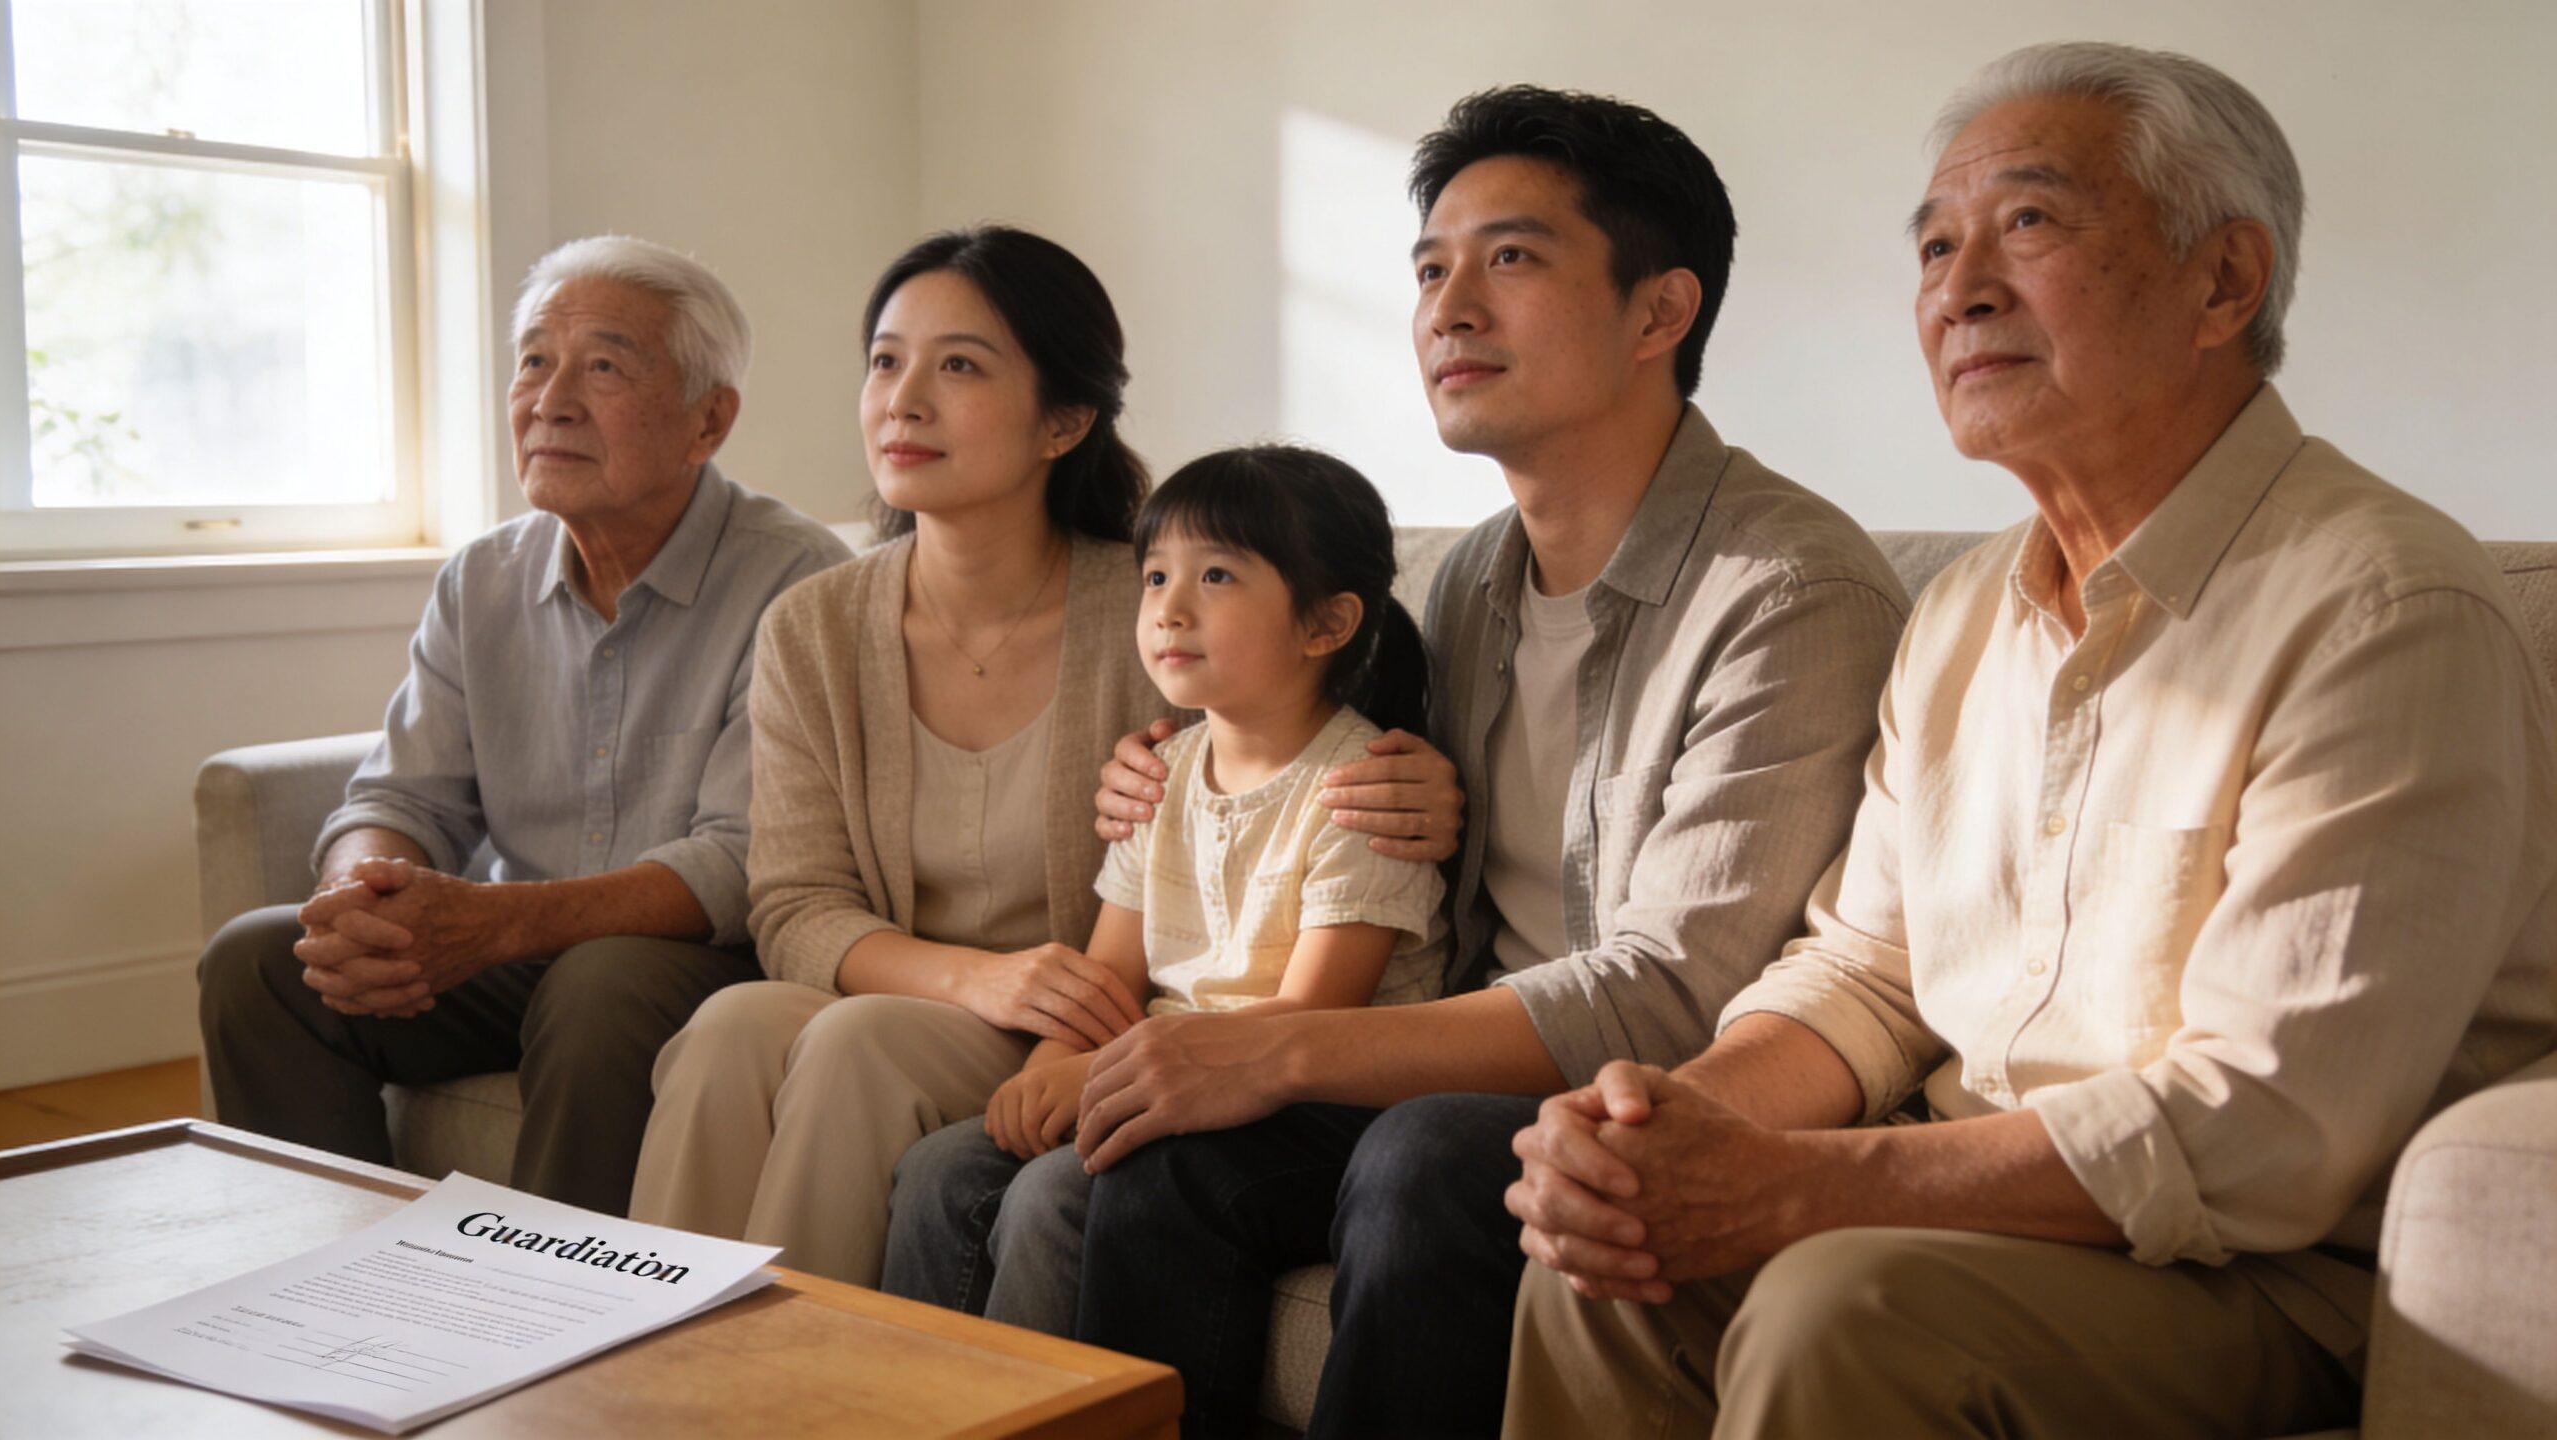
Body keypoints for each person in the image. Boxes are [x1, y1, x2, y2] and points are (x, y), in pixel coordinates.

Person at [1502, 42, 2557, 1440]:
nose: (1957, 288)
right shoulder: (1958, 616)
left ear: (2224, 282)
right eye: (1935, 246)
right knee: (1606, 1267)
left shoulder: (2383, 607)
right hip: (1977, 1205)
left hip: (2273, 1269)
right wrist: (1671, 1133)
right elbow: (1871, 976)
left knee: (1843, 1308)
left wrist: (1799, 1187)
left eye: (2031, 224)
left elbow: (2269, 1127)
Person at [1076, 86, 1906, 1436]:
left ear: (1659, 311)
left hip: (1657, 1095)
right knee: (1163, 1165)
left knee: (1420, 1154)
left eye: (1510, 258)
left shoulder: (1788, 592)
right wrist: (1162, 763)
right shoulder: (1466, 580)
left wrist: (1277, 1049)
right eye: (1428, 268)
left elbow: (1673, 992)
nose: (1448, 307)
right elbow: (1314, 755)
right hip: (1446, 1068)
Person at [196, 236, 851, 1215]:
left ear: (706, 421)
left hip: (693, 961)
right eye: (535, 361)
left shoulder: (795, 579)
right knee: (260, 960)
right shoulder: (482, 577)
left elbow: (741, 860)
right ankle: (335, 1284)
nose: (550, 400)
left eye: (603, 366)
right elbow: (400, 793)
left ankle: (545, 1319)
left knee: (601, 986)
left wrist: (491, 925)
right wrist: (360, 895)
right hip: (510, 952)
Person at [624, 227, 1177, 1285]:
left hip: (1085, 1028)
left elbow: (1279, 770)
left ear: (1063, 420)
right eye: (885, 360)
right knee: (730, 1025)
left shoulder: (1159, 610)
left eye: (957, 365)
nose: (901, 399)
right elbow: (792, 905)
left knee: (856, 1044)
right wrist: (979, 979)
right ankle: (649, 1381)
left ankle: (809, 1399)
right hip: (941, 993)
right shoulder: (814, 625)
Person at [882, 445, 1452, 1335]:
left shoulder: (1362, 790)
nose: (1169, 610)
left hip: (1305, 1096)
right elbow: (1111, 973)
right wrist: (1051, 1077)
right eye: (1156, 576)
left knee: (1051, 1198)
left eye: (1216, 575)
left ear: (1326, 623)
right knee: (941, 1170)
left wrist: (1101, 1082)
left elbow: (1316, 1016)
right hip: (1161, 1072)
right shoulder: (1161, 774)